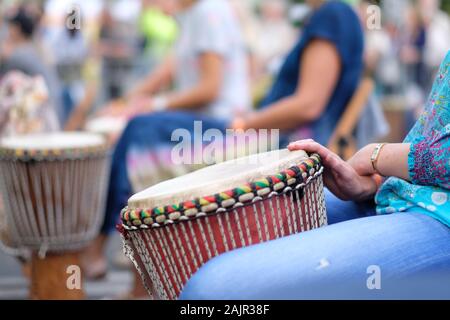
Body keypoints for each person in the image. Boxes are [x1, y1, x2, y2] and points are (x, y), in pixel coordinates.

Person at [180, 50, 450, 300]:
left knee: (212, 291)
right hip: (406, 188)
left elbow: (308, 106)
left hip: (439, 215)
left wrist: (375, 156)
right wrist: (375, 182)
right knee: (209, 238)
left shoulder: (332, 17)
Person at [82, 0, 250, 294]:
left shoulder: (209, 12)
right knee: (136, 130)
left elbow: (210, 88)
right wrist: (123, 106)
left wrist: (151, 106)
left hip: (222, 129)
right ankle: (131, 274)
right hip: (201, 124)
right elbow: (162, 75)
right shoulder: (189, 17)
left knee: (139, 131)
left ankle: (100, 242)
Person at [230, 0, 364, 147]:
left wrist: (242, 125)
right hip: (289, 141)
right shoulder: (334, 14)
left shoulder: (332, 16)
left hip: (294, 147)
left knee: (207, 137)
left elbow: (308, 105)